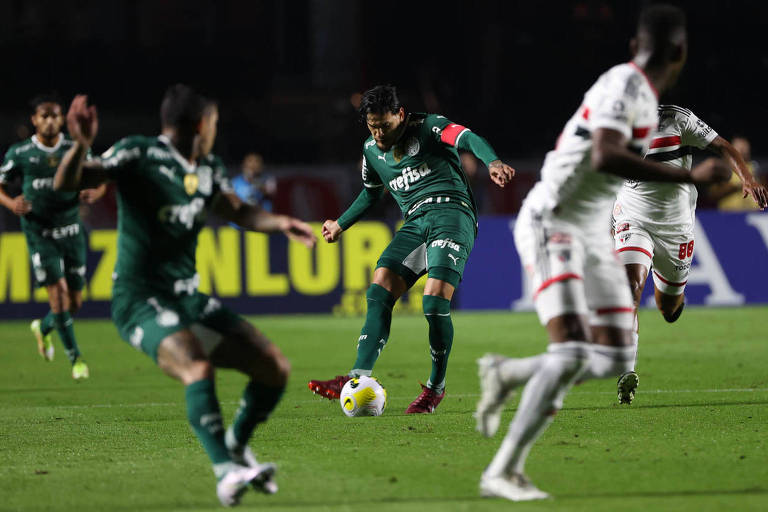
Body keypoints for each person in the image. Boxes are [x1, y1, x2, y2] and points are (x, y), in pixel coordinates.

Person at [473, 5, 730, 501]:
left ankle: (507, 373)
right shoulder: (626, 87)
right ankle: (503, 470)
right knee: (570, 350)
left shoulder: (646, 98)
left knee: (614, 356)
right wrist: (687, 175)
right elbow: (603, 154)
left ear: (637, 46)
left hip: (589, 227)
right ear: (680, 53)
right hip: (554, 220)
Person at [54, 85, 317, 506]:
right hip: (138, 300)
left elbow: (236, 210)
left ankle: (235, 445)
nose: (216, 129)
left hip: (189, 300)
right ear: (200, 124)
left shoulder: (207, 166)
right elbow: (69, 182)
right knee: (197, 368)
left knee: (274, 368)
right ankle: (226, 472)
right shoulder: (139, 154)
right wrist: (81, 145)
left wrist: (282, 223)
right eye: (214, 122)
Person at [307, 85, 515, 414]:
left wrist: (492, 161)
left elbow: (468, 138)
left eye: (385, 126)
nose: (378, 134)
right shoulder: (371, 152)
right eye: (372, 126)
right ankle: (357, 376)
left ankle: (435, 388)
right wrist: (340, 224)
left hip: (453, 213)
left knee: (433, 302)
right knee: (380, 287)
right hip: (416, 223)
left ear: (400, 115)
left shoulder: (429, 127)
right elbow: (371, 194)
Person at [613, 107, 768, 403]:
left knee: (669, 310)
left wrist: (746, 178)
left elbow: (723, 145)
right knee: (629, 288)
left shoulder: (678, 120)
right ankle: (626, 370)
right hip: (634, 219)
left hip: (676, 228)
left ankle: (668, 290)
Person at [0, 93, 106, 379]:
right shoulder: (20, 153)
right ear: (34, 120)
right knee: (58, 297)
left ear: (62, 119)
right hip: (39, 233)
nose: (49, 121)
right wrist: (12, 203)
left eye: (55, 115)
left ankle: (43, 327)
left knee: (74, 302)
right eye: (43, 116)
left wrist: (94, 191)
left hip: (72, 232)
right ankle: (76, 360)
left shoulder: (75, 148)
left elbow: (101, 178)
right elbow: (0, 184)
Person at [709, 136, 766, 211]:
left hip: (753, 214)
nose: (743, 151)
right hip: (728, 215)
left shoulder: (755, 168)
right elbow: (713, 195)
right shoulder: (723, 167)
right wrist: (738, 186)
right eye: (740, 148)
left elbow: (764, 191)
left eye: (745, 148)